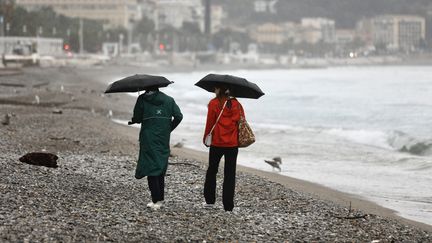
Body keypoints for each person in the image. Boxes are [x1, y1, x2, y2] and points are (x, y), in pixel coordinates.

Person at [129, 86, 183, 210]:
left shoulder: (142, 99)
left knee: (150, 167)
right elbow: (179, 116)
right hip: (163, 138)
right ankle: (160, 199)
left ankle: (155, 200)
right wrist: (168, 128)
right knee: (160, 166)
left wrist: (135, 119)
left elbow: (137, 118)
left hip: (148, 137)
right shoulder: (169, 100)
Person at [203, 85, 244, 211]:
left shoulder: (213, 103)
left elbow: (210, 122)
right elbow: (242, 122)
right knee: (230, 174)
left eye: (215, 88)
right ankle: (228, 206)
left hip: (217, 143)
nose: (214, 90)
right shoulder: (237, 104)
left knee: (212, 171)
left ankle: (210, 201)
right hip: (232, 144)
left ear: (219, 89)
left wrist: (206, 138)